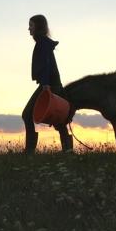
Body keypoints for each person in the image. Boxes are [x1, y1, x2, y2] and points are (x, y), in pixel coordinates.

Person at [21, 15, 73, 153]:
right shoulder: (42, 42)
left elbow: (46, 65)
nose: (28, 28)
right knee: (59, 120)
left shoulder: (42, 43)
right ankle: (68, 150)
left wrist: (45, 85)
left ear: (37, 27)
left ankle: (29, 151)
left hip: (49, 85)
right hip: (52, 84)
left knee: (27, 114)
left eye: (30, 25)